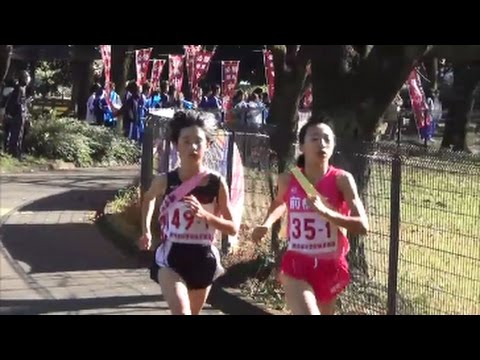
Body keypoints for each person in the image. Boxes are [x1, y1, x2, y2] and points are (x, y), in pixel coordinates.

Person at [252, 117, 369, 315]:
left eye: (327, 139)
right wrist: (266, 223)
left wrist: (326, 213)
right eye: (314, 139)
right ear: (302, 146)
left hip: (330, 265)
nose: (321, 144)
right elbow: (280, 203)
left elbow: (363, 226)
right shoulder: (288, 179)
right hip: (297, 264)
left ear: (333, 146)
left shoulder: (342, 180)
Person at [139, 110, 238, 315]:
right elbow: (148, 198)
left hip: (203, 257)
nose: (193, 147)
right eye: (186, 141)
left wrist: (206, 216)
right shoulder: (165, 180)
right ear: (176, 145)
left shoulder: (216, 183)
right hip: (171, 257)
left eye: (199, 141)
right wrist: (146, 230)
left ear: (208, 146)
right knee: (182, 312)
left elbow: (233, 227)